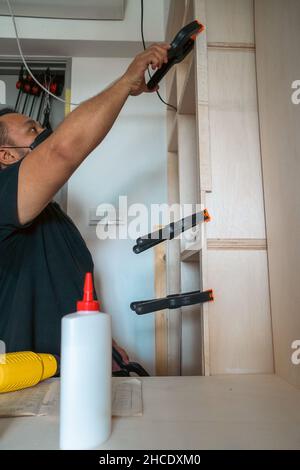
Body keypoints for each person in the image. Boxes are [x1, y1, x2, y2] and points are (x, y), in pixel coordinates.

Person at [0, 42, 170, 370]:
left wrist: (107, 346)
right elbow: (62, 150)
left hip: (80, 376)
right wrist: (126, 82)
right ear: (6, 155)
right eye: (32, 130)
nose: (45, 133)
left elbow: (71, 293)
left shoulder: (52, 217)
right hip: (34, 389)